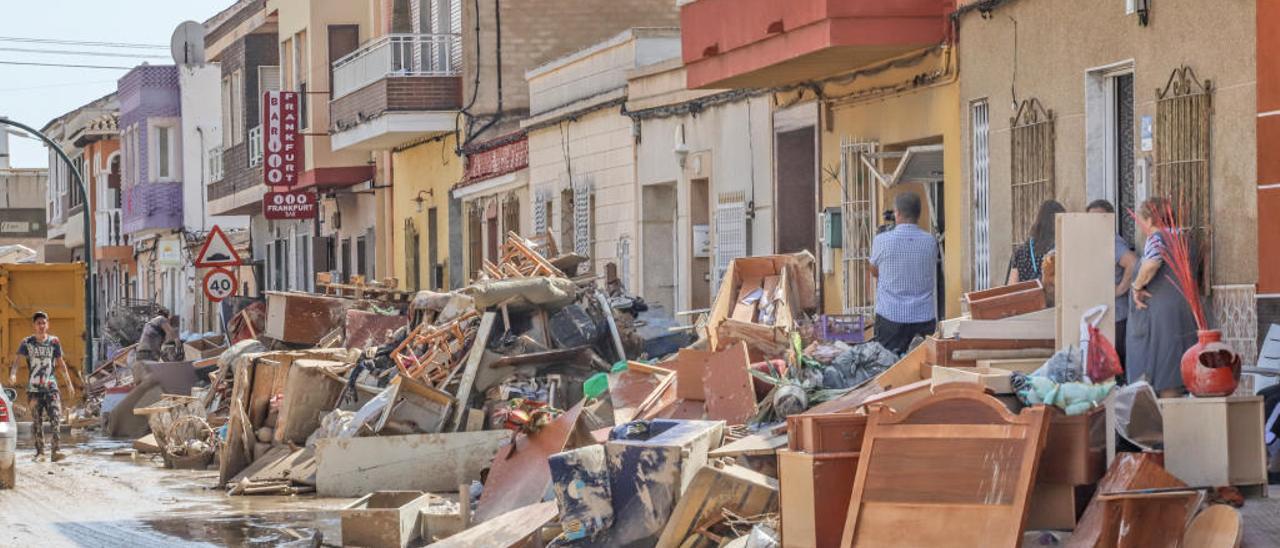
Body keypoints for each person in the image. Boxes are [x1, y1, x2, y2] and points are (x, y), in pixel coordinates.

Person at [1126, 197, 1198, 396]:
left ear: (1149, 220)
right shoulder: (1185, 238)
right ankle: (1175, 419)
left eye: (1141, 220)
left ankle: (1166, 423)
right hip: (1185, 310)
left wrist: (1137, 285)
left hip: (1161, 318)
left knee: (1163, 373)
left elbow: (1151, 264)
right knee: (1176, 370)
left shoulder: (1157, 238)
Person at [870, 192, 939, 355]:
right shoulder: (930, 242)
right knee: (921, 367)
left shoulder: (882, 240)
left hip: (890, 317)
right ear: (919, 214)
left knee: (888, 367)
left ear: (897, 213)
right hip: (923, 318)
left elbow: (873, 271)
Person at [9, 311, 75, 462]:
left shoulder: (54, 342)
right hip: (34, 390)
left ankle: (56, 451)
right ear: (34, 325)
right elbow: (17, 361)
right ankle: (40, 452)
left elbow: (61, 364)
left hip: (51, 387)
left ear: (47, 324)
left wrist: (69, 383)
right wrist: (13, 374)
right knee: (37, 421)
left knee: (56, 418)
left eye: (44, 323)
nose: (41, 326)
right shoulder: (27, 342)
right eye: (38, 323)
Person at [1086, 199, 1138, 366]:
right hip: (1102, 315)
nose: (1093, 224)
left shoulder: (1111, 241)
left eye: (1098, 218)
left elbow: (1133, 262)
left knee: (1115, 367)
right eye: (1090, 219)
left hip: (1116, 317)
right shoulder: (1093, 241)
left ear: (1108, 219)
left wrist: (1119, 290)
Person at [1008, 200, 1066, 283]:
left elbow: (1012, 286)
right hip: (1053, 295)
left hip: (1028, 295)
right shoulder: (1061, 249)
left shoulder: (1021, 251)